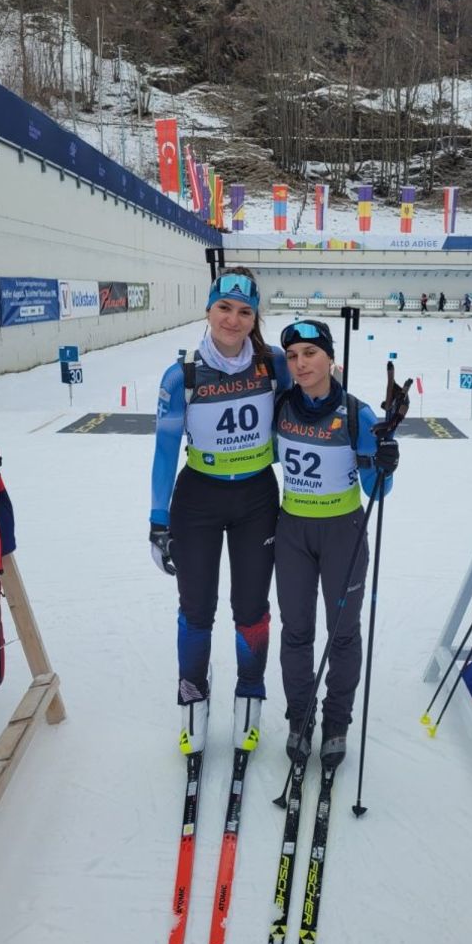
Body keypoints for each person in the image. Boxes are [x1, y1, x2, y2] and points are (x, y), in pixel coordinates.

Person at [149, 268, 291, 757]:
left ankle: (250, 693)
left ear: (255, 318)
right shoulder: (183, 375)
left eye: (245, 311)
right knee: (196, 609)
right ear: (209, 309)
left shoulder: (274, 364)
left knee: (251, 609)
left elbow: (309, 409)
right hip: (198, 501)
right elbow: (166, 451)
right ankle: (193, 694)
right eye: (224, 308)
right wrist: (157, 520)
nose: (233, 320)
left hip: (257, 499)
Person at [273, 321, 400, 769]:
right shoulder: (281, 407)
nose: (301, 363)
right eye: (292, 356)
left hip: (343, 531)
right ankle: (300, 717)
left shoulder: (356, 413)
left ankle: (337, 720)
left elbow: (375, 491)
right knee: (296, 631)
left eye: (310, 353)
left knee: (342, 633)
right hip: (292, 532)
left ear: (330, 359)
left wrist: (385, 462)